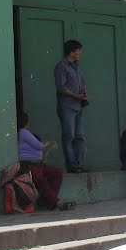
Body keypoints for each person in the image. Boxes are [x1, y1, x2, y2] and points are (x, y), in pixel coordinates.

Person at [17, 112, 74, 210]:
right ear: (26, 123)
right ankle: (57, 203)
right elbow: (39, 146)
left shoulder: (23, 134)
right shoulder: (23, 132)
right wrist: (45, 144)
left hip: (38, 164)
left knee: (57, 173)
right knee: (40, 180)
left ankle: (45, 201)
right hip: (29, 165)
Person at [55, 40, 88, 173]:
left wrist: (84, 93)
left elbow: (83, 82)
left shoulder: (77, 66)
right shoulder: (61, 66)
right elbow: (61, 87)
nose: (80, 53)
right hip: (67, 106)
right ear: (71, 52)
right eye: (78, 50)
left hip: (79, 105)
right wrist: (76, 95)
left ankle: (79, 164)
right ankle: (72, 165)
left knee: (79, 136)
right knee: (69, 136)